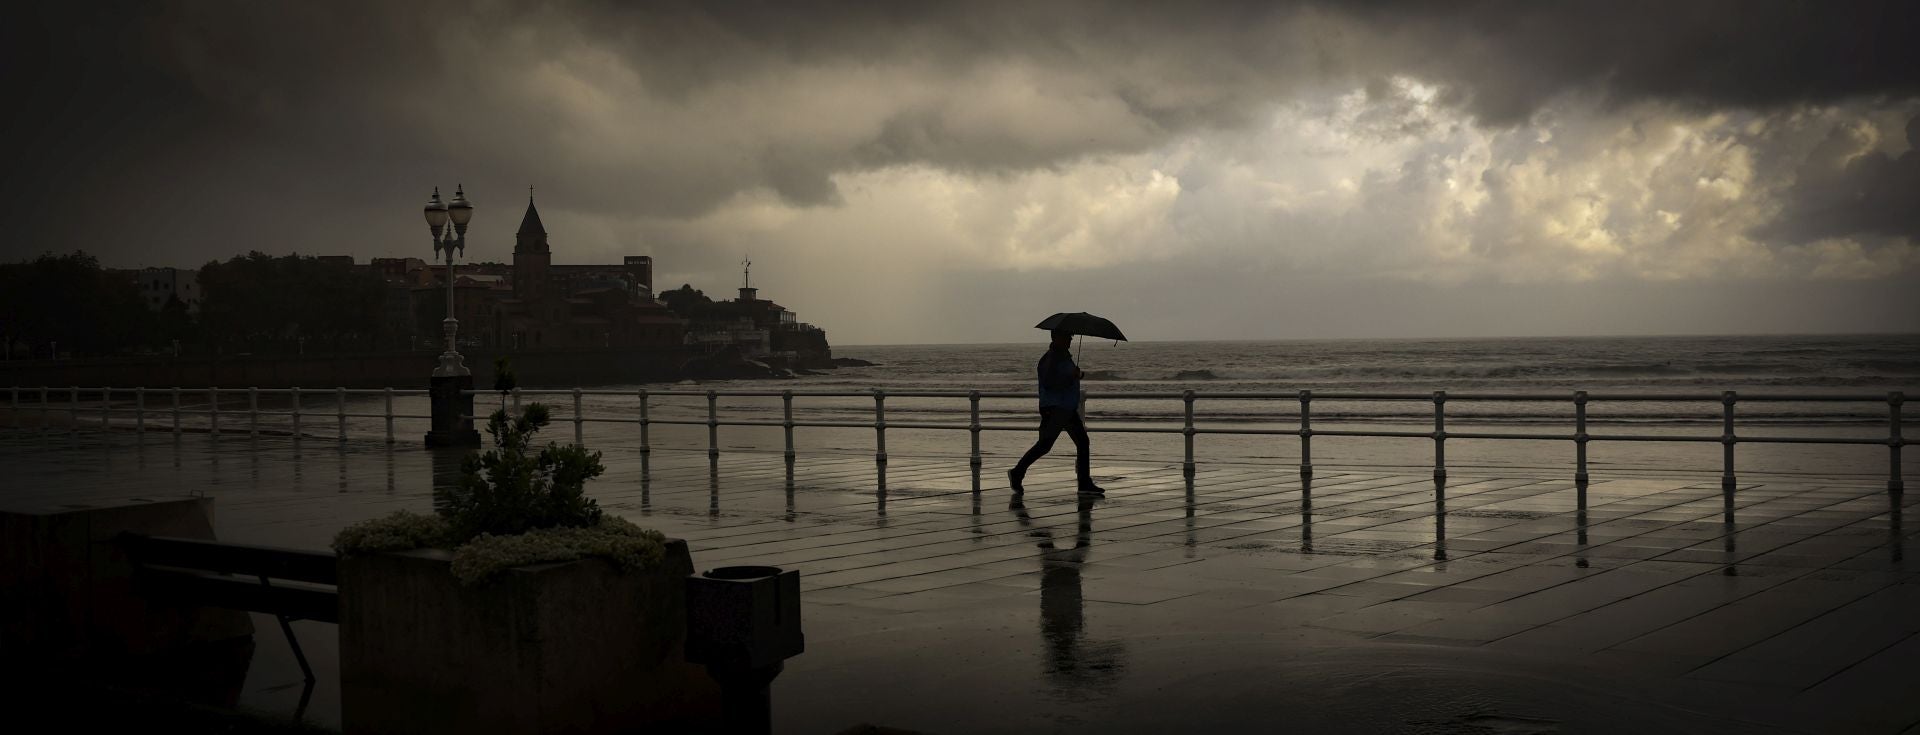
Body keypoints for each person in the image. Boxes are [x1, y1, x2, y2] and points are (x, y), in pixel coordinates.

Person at [1009, 329, 1105, 498]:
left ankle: (1084, 482)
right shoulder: (1051, 359)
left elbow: (1068, 376)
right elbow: (1049, 383)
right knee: (1045, 445)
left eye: (1071, 337)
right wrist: (1071, 377)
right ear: (1056, 337)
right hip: (1055, 408)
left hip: (1066, 408)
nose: (1070, 339)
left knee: (1081, 441)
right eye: (1067, 336)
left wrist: (1078, 374)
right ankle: (1017, 472)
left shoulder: (1063, 357)